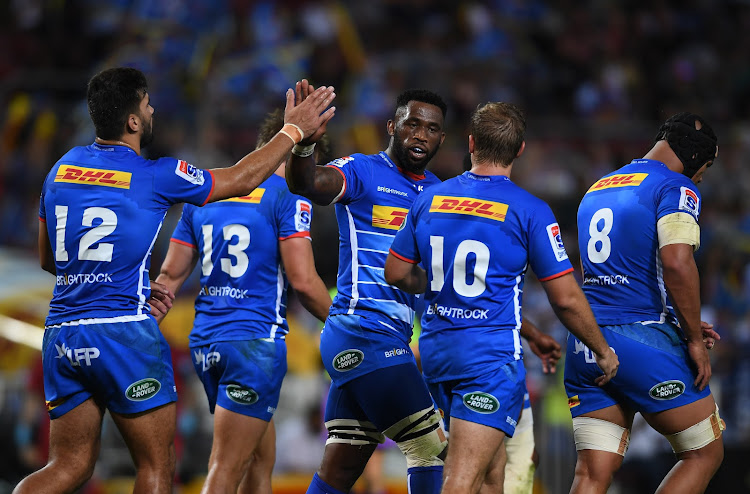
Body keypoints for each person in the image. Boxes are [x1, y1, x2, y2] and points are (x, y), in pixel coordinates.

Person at [19, 66, 335, 494]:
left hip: (62, 334)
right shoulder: (157, 174)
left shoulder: (60, 169)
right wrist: (294, 131)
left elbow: (49, 259)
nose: (152, 113)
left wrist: (115, 278)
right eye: (147, 106)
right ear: (132, 120)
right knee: (157, 467)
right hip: (127, 335)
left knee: (68, 465)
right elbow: (241, 180)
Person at [384, 101, 618, 494]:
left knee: (493, 478)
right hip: (488, 364)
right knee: (461, 481)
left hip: (439, 357)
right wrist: (602, 348)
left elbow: (396, 272)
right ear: (520, 150)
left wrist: (441, 285)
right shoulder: (531, 211)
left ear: (471, 142)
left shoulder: (430, 198)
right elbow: (565, 299)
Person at [153, 108, 333, 494]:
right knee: (225, 467)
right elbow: (302, 280)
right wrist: (343, 323)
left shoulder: (206, 194)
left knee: (259, 460)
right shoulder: (289, 196)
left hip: (206, 346)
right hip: (253, 345)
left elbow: (167, 279)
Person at [286, 83, 449, 494]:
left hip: (387, 337)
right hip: (363, 331)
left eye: (431, 129)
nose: (420, 135)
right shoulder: (362, 171)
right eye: (412, 124)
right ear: (392, 126)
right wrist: (302, 146)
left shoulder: (439, 194)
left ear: (441, 139)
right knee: (431, 449)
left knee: (341, 468)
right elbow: (307, 183)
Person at [565, 112, 724, 494]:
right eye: (704, 167)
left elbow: (626, 271)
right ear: (693, 155)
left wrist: (680, 318)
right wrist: (690, 336)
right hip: (641, 341)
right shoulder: (677, 186)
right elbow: (676, 262)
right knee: (704, 453)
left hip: (587, 344)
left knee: (591, 474)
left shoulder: (599, 186)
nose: (701, 176)